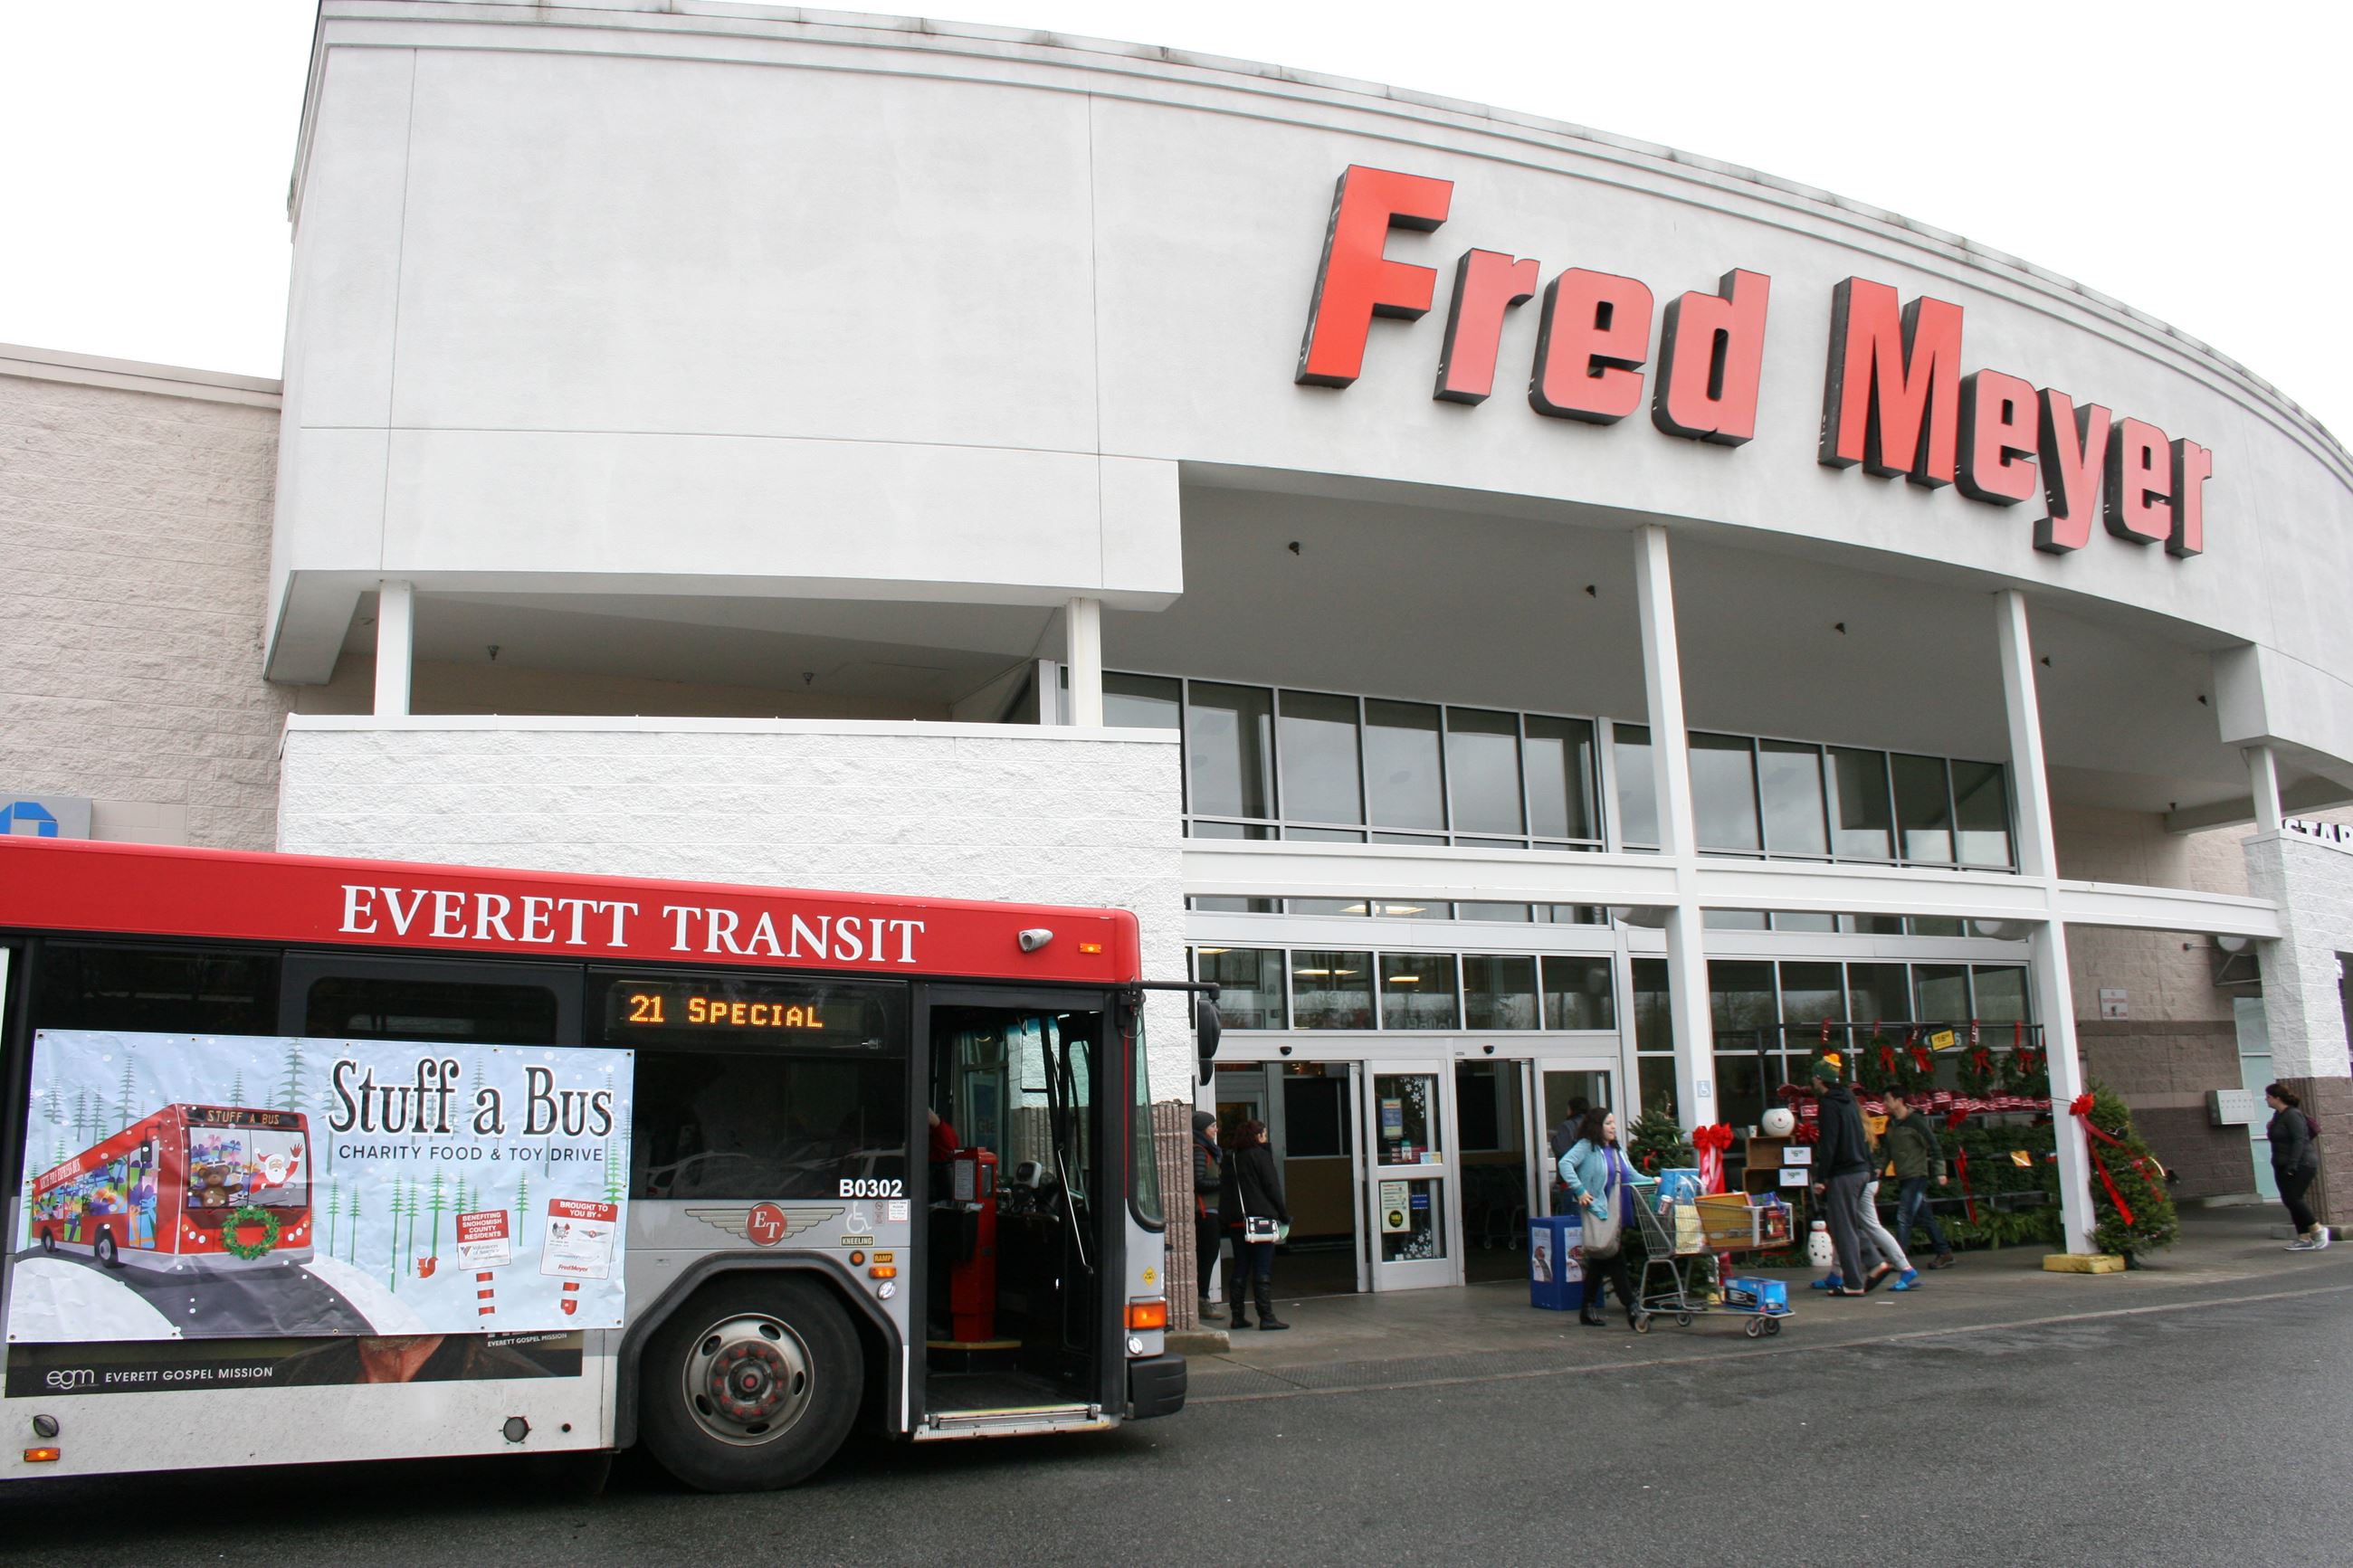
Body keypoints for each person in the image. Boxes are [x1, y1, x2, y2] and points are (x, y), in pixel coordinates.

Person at [1558, 1106, 1653, 1329]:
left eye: (1613, 1123)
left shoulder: (1616, 1149)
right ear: (1597, 1126)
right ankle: (1633, 1309)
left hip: (1618, 1210)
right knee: (1614, 1256)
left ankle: (1586, 1309)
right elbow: (1565, 1164)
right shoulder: (1586, 1147)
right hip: (1599, 1210)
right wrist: (1579, 1190)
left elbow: (1631, 1174)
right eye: (1608, 1123)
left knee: (1600, 1260)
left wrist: (1653, 1181)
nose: (1613, 1127)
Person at [1808, 1056, 1873, 1298]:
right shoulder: (1848, 1100)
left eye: (1814, 1077)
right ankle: (1875, 1262)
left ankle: (1854, 1283)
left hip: (1843, 1173)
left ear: (1819, 1078)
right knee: (1850, 1223)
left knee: (1842, 1229)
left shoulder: (1828, 1104)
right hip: (1860, 1169)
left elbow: (1829, 1144)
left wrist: (1821, 1177)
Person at [1220, 1118, 1291, 1330]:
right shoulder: (1260, 1156)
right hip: (1260, 1219)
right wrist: (1283, 1214)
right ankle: (1266, 1316)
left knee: (1240, 1266)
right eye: (1264, 1135)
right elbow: (1272, 1187)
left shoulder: (1230, 1158)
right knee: (1262, 1267)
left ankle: (1237, 1316)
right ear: (1257, 1136)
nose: (1266, 1138)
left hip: (1236, 1221)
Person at [1883, 1087, 1956, 1269]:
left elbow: (1934, 1145)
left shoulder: (1916, 1121)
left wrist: (1941, 1171)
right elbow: (1887, 1150)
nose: (1885, 1104)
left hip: (1917, 1175)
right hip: (1904, 1175)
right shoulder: (1891, 1124)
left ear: (1898, 1101)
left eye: (1887, 1100)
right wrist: (1879, 1168)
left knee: (1904, 1215)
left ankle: (1898, 1257)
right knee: (1924, 1217)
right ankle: (1944, 1252)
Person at [2268, 1083, 2329, 1251]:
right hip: (2281, 1163)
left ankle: (2317, 1229)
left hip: (2301, 1164)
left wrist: (2293, 1164)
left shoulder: (2293, 1115)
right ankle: (2303, 1237)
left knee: (2294, 1198)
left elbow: (2299, 1140)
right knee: (2290, 1200)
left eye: (2269, 1096)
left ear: (2277, 1098)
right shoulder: (2278, 1116)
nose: (2266, 1099)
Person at [1192, 1111, 1224, 1320]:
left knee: (1209, 1255)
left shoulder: (1209, 1150)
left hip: (1210, 1211)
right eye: (1212, 1126)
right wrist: (1224, 1182)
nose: (1216, 1130)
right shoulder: (1200, 1150)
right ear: (1203, 1128)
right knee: (1207, 1256)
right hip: (1204, 1212)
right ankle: (1202, 1300)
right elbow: (1198, 1182)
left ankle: (1202, 1298)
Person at [1547, 1098, 1592, 1216]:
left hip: (1571, 1185)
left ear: (1572, 1110)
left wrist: (1554, 1140)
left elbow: (1562, 1150)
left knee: (1572, 1225)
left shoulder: (1568, 1126)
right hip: (1592, 1183)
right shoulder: (1593, 1126)